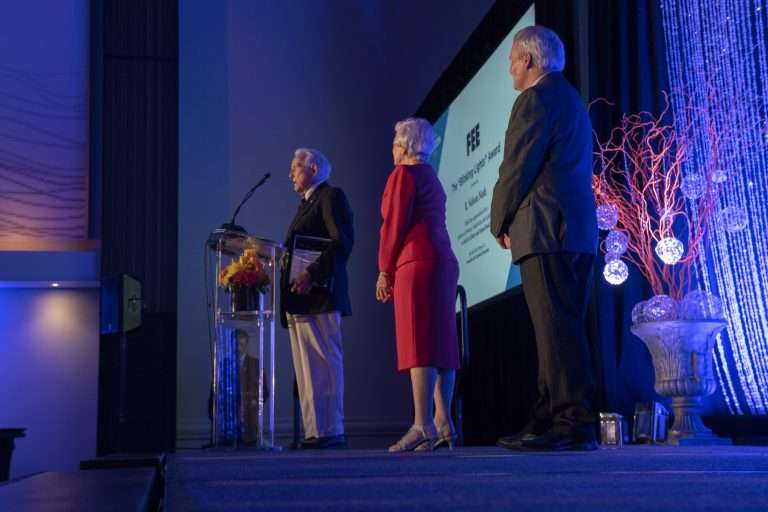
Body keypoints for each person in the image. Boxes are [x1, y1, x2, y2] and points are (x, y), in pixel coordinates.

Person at [489, 26, 598, 451]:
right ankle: (546, 416)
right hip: (576, 233)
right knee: (559, 329)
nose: (510, 71)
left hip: (547, 230)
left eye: (512, 62)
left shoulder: (534, 99)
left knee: (557, 331)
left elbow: (516, 167)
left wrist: (498, 221)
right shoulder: (571, 99)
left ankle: (573, 422)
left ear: (528, 60)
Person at [377, 117, 461, 452]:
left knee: (419, 343)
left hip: (416, 262)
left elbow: (393, 226)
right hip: (443, 261)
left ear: (405, 145)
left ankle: (421, 424)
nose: (392, 150)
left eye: (394, 143)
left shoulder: (403, 174)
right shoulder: (432, 177)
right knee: (442, 343)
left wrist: (384, 270)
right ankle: (443, 421)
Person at [280, 148, 354, 449]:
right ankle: (315, 431)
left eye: (295, 167)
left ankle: (331, 430)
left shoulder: (330, 196)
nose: (290, 174)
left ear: (313, 168)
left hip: (321, 294)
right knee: (307, 371)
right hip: (300, 298)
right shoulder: (306, 204)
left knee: (324, 365)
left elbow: (341, 244)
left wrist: (311, 274)